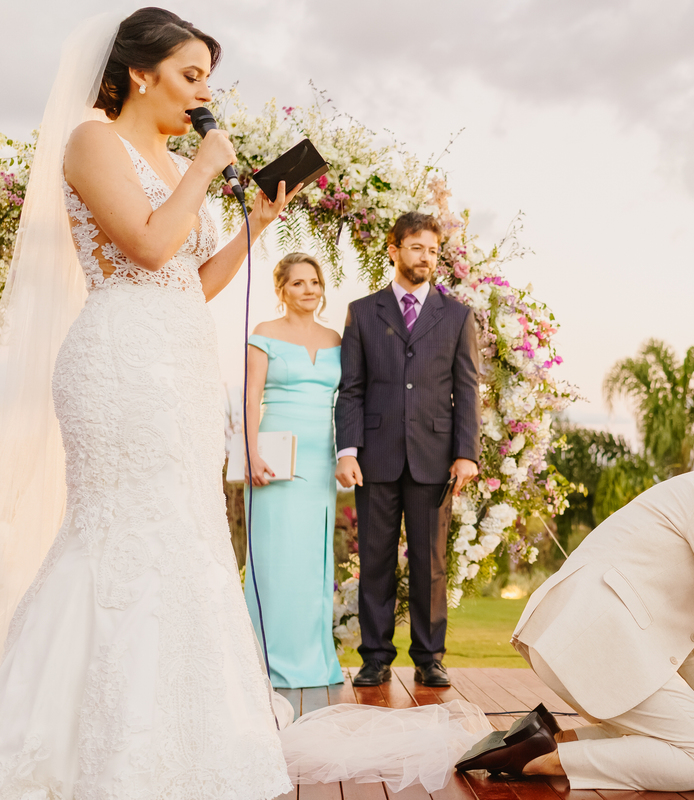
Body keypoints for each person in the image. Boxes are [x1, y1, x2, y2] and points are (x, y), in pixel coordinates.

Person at [0, 8, 305, 798]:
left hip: (182, 359)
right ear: (141, 72)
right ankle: (84, 739)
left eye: (209, 78)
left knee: (187, 531)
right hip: (120, 360)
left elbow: (187, 281)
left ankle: (187, 733)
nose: (205, 93)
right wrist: (204, 169)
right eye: (191, 75)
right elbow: (143, 247)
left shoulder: (174, 162)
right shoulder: (92, 140)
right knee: (123, 532)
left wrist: (253, 226)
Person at [456, 436, 694, 791]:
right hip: (597, 638)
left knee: (664, 739)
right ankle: (541, 761)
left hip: (586, 638)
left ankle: (543, 742)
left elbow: (692, 654)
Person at [334, 212, 481, 689]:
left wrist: (467, 453)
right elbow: (351, 388)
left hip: (434, 458)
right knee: (375, 561)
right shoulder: (362, 312)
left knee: (430, 563)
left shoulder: (457, 316)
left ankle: (429, 657)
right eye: (417, 247)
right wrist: (347, 450)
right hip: (374, 457)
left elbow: (467, 389)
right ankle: (375, 657)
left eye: (433, 251)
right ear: (394, 250)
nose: (426, 258)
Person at [243, 252, 344, 688]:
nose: (309, 290)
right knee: (274, 559)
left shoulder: (336, 338)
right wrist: (250, 452)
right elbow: (250, 396)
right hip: (273, 456)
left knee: (311, 560)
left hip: (321, 458)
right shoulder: (264, 334)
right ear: (281, 289)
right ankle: (263, 661)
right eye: (299, 283)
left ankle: (313, 661)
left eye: (315, 282)